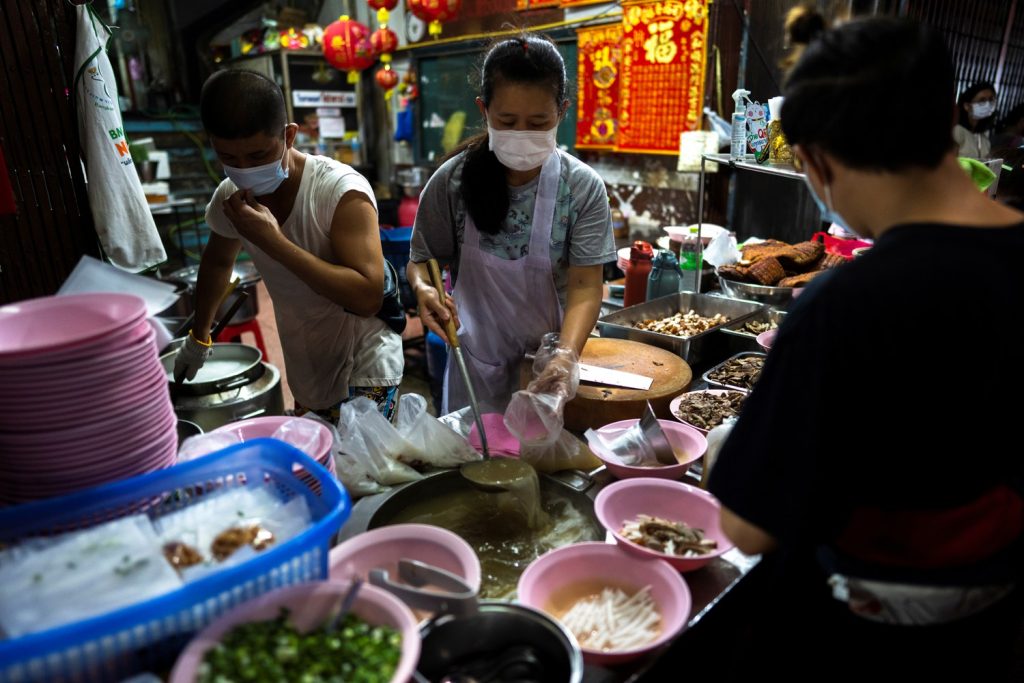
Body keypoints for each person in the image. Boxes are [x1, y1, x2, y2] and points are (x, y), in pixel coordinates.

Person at [708, 15, 1023, 679]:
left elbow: (745, 527)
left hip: (863, 632)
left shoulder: (845, 307)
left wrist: (722, 450)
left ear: (818, 162)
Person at [174, 70, 404, 420]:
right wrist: (199, 335)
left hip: (365, 363)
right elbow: (218, 262)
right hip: (308, 363)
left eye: (257, 155)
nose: (244, 169)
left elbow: (367, 297)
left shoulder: (339, 191)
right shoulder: (231, 196)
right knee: (318, 465)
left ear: (289, 136)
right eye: (230, 159)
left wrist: (274, 242)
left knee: (360, 471)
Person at [407, 34, 614, 415]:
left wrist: (565, 356)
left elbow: (587, 285)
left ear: (562, 112)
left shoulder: (581, 188)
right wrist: (422, 288)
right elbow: (422, 259)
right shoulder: (451, 182)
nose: (522, 134)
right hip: (475, 364)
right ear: (483, 110)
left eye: (538, 122)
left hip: (549, 365)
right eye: (507, 121)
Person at [953, 81, 998, 158]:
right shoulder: (957, 131)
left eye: (991, 100)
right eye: (982, 100)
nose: (987, 104)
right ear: (967, 106)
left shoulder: (983, 135)